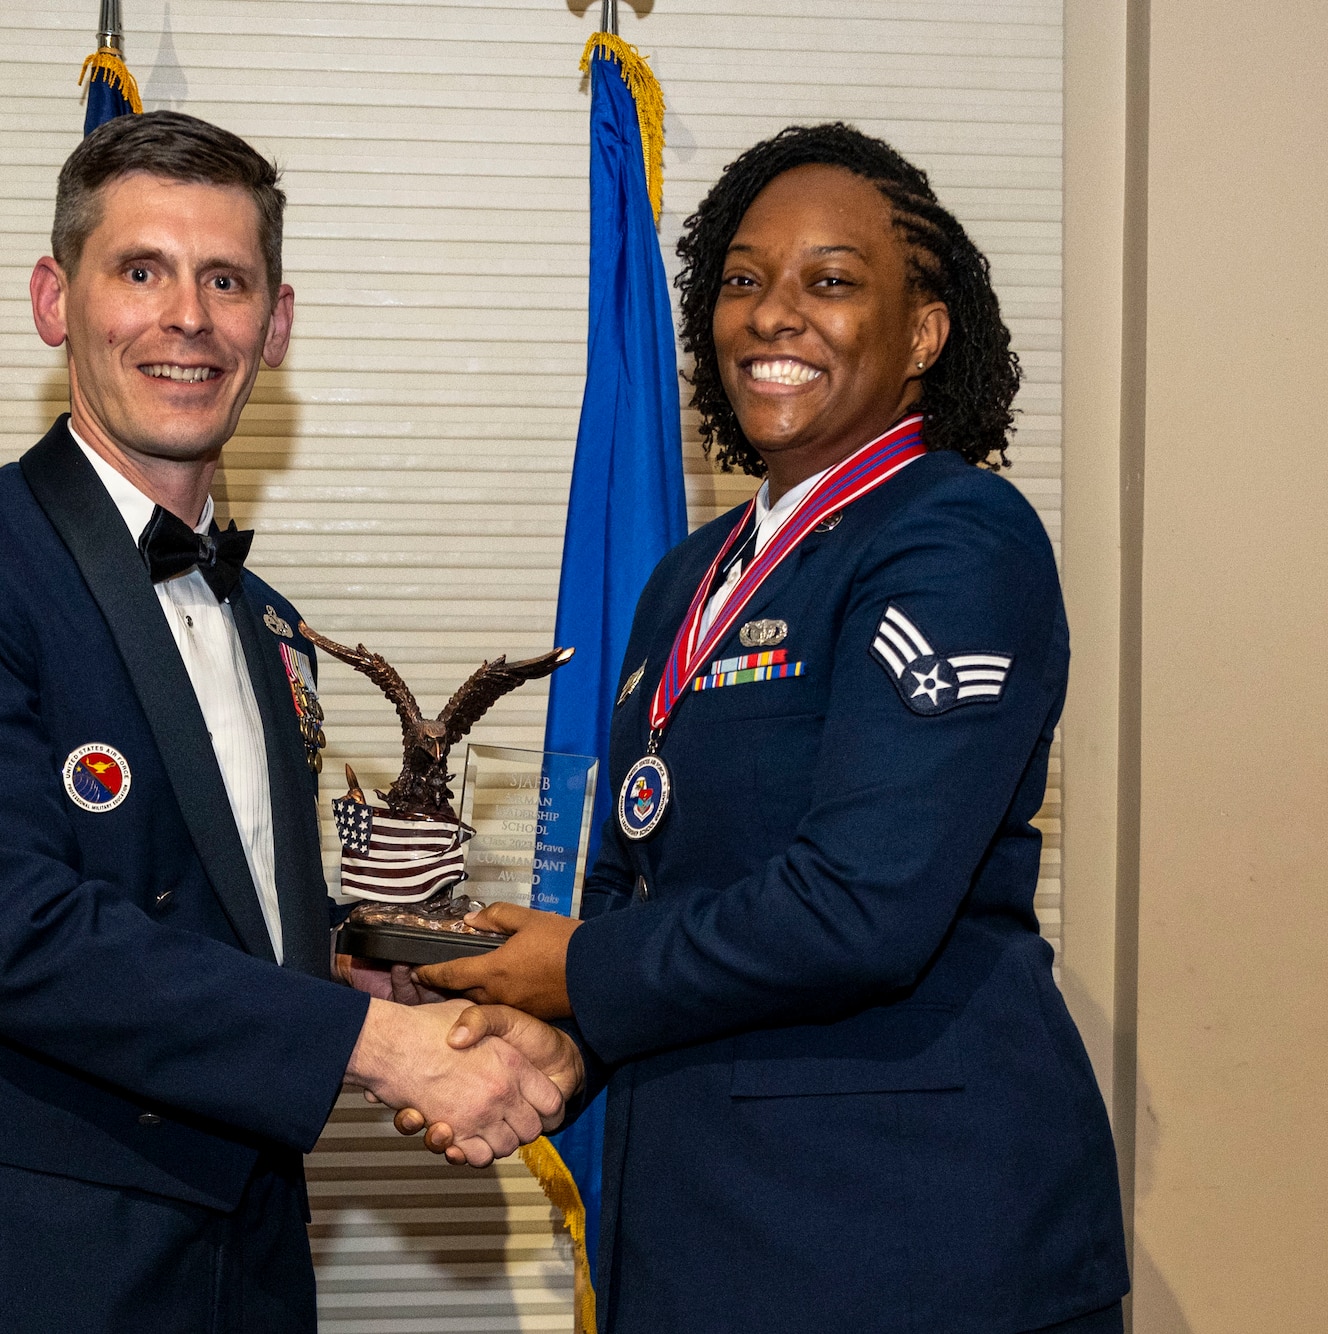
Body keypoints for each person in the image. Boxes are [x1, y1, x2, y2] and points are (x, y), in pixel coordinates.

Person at [0, 111, 580, 1334]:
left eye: (225, 279)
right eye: (140, 270)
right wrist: (373, 1051)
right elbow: (11, 931)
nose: (187, 316)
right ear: (52, 300)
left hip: (250, 1244)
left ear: (274, 324)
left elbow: (216, 927)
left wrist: (440, 996)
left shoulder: (272, 627)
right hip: (29, 1248)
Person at [415, 124, 1130, 1333]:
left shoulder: (957, 538)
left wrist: (574, 970)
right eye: (743, 279)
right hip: (702, 1231)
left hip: (906, 1244)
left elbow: (862, 907)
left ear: (920, 333)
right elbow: (654, 892)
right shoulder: (684, 578)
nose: (771, 314)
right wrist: (554, 1040)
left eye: (831, 281)